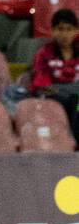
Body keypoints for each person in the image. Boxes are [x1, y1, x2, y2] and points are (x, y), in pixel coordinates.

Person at [30, 7, 79, 138]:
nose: (64, 34)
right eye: (60, 29)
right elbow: (41, 85)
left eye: (69, 29)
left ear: (76, 31)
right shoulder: (44, 54)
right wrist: (68, 90)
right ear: (52, 31)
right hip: (53, 100)